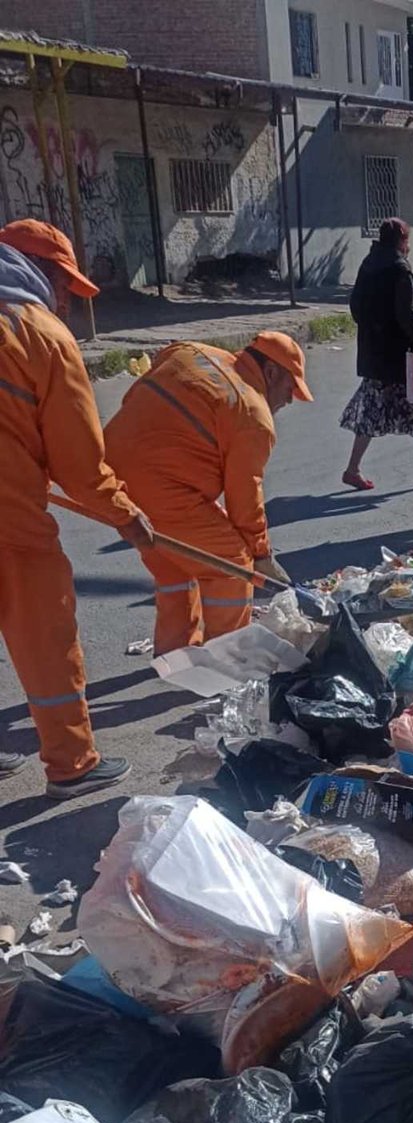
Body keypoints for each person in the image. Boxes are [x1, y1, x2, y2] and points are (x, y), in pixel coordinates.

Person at [0, 218, 154, 799]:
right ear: (36, 271)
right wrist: (125, 516)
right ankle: (72, 764)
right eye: (63, 284)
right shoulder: (39, 334)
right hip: (9, 519)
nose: (64, 299)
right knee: (46, 633)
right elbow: (81, 466)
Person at [104, 330, 312, 657]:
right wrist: (260, 556)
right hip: (164, 486)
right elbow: (245, 496)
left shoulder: (192, 351)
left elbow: (141, 393)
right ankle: (227, 663)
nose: (288, 399)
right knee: (231, 564)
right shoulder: (252, 412)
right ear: (270, 372)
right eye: (290, 387)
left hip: (110, 476)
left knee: (176, 565)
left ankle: (176, 655)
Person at [341, 217, 413, 492]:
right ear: (403, 241)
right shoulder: (400, 270)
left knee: (371, 409)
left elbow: (355, 306)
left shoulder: (368, 264)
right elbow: (407, 315)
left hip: (373, 351)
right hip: (400, 356)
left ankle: (352, 468)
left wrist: (373, 329)